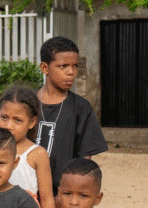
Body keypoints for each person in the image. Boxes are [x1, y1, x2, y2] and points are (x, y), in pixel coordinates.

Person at [34, 37, 107, 198]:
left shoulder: (81, 108)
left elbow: (84, 161)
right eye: (63, 66)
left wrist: (67, 195)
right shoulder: (27, 103)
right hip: (25, 191)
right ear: (45, 68)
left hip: (60, 194)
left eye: (75, 66)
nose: (71, 72)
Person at [0, 86, 55, 208]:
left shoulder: (37, 154)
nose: (9, 126)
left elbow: (47, 199)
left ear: (32, 122)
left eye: (17, 120)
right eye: (4, 117)